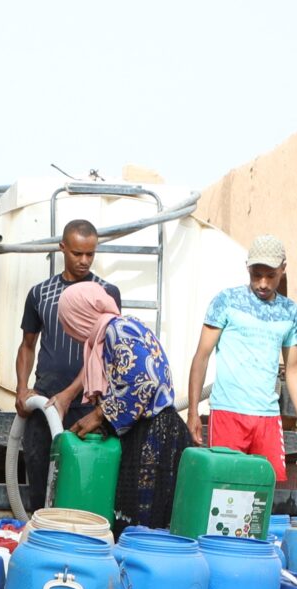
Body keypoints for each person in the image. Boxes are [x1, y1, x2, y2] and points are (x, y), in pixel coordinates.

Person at [44, 281, 190, 530]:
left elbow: (145, 380)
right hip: (148, 432)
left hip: (153, 437)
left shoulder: (116, 331)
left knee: (140, 525)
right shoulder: (114, 330)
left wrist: (100, 414)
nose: (66, 328)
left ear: (80, 313)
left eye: (67, 319)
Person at [14, 220, 123, 511]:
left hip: (88, 403)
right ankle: (40, 538)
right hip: (45, 401)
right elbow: (27, 346)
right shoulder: (41, 293)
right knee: (40, 479)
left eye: (90, 254)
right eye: (77, 254)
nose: (84, 261)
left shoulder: (106, 292)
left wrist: (71, 394)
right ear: (62, 248)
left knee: (83, 483)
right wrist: (22, 389)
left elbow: (103, 351)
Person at [188, 236, 297, 483]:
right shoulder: (226, 301)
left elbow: (294, 369)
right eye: (256, 275)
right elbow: (201, 357)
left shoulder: (290, 312)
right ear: (248, 268)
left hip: (267, 416)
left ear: (283, 269)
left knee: (264, 489)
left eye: (270, 276)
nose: (263, 283)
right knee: (225, 488)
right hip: (228, 413)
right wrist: (192, 412)